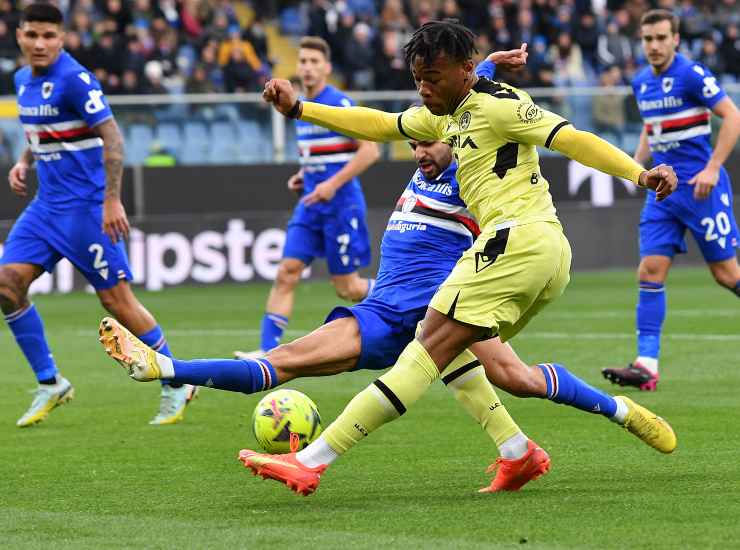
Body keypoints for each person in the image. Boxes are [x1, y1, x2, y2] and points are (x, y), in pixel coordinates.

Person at [99, 51, 677, 495]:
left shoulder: (472, 167)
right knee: (511, 377)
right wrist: (300, 109)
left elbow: (500, 112)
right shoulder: (439, 138)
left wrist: (636, 171)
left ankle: (175, 374)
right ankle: (541, 440)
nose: (421, 148)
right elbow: (385, 119)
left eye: (431, 141)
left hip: (414, 306)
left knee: (292, 360)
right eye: (419, 140)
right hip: (398, 300)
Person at [0, 3, 196, 427]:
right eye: (32, 35)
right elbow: (42, 131)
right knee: (6, 285)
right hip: (45, 208)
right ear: (19, 35)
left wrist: (112, 200)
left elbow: (113, 137)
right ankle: (51, 382)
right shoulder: (22, 80)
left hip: (87, 210)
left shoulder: (74, 80)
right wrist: (23, 161)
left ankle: (177, 379)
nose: (40, 44)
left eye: (49, 36)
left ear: (62, 37)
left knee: (117, 301)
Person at [602, 10, 740, 392]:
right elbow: (651, 128)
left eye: (662, 38)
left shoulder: (692, 75)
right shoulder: (642, 81)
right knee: (649, 271)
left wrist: (713, 168)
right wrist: (634, 165)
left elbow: (732, 117)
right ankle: (646, 366)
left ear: (676, 39)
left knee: (727, 275)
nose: (655, 46)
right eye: (648, 39)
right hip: (663, 192)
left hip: (701, 189)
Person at [235, 36, 380, 358]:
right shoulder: (298, 107)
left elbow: (370, 151)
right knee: (287, 271)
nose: (308, 67)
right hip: (311, 205)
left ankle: (405, 298)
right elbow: (322, 155)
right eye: (303, 61)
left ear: (327, 68)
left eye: (315, 62)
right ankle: (268, 351)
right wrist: (306, 175)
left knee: (348, 288)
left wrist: (332, 184)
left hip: (341, 204)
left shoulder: (338, 104)